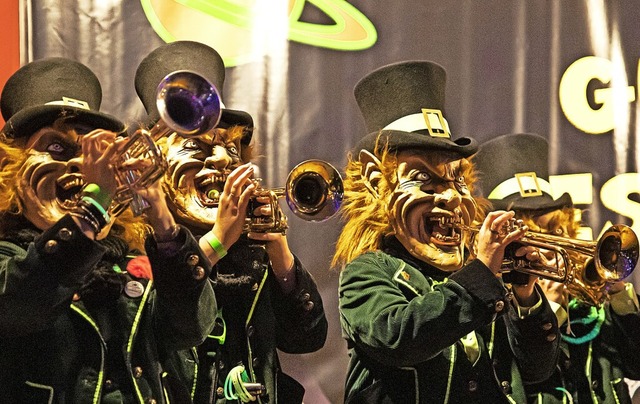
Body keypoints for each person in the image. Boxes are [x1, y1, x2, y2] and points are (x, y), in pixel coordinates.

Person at [331, 61, 561, 403]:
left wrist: (527, 299)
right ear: (378, 184)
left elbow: (535, 372)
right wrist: (481, 274)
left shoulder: (484, 275)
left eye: (457, 179)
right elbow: (399, 337)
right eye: (424, 179)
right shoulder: (367, 272)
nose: (452, 197)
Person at [0, 57, 217, 403]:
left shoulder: (131, 258)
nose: (79, 165)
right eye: (55, 147)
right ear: (12, 165)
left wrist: (162, 219)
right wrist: (93, 206)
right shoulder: (8, 255)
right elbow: (21, 306)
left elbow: (191, 329)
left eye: (92, 152)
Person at [134, 40, 328, 403]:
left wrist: (279, 250)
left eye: (231, 149)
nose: (223, 161)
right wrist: (218, 239)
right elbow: (160, 328)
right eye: (199, 147)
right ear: (154, 160)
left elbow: (306, 338)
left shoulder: (251, 249)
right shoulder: (137, 242)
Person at [474, 132, 640, 404]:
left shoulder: (589, 298)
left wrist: (617, 292)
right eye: (532, 235)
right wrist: (548, 307)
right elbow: (522, 373)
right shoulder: (491, 304)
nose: (549, 247)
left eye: (555, 230)